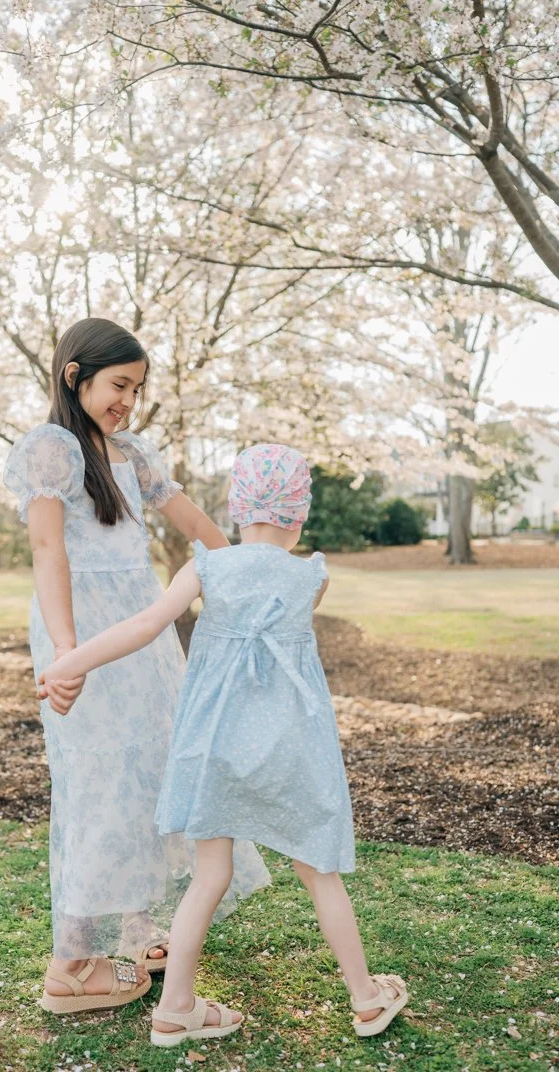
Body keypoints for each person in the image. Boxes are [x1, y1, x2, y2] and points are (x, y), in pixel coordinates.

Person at [39, 442, 409, 1042]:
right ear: (299, 512)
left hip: (211, 749)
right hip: (291, 751)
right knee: (319, 872)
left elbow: (145, 625)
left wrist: (72, 661)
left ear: (238, 508)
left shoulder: (208, 567)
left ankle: (175, 1009)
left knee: (210, 876)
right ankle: (366, 998)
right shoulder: (311, 575)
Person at [3, 318, 269, 1015]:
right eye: (119, 385)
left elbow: (194, 524)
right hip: (83, 630)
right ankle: (71, 967)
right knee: (98, 780)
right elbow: (47, 552)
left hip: (145, 629)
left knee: (154, 765)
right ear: (74, 375)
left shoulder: (130, 451)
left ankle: (139, 928)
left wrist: (257, 566)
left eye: (137, 388)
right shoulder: (51, 450)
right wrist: (68, 653)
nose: (128, 400)